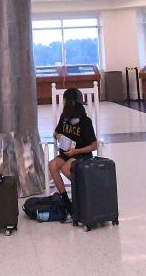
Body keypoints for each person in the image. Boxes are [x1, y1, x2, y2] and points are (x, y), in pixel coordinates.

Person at [48, 87, 98, 216]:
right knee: (52, 165)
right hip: (66, 153)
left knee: (65, 168)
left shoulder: (85, 122)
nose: (63, 104)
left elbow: (94, 145)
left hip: (81, 154)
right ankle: (66, 201)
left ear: (71, 103)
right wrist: (58, 136)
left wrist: (75, 151)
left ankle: (83, 190)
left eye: (65, 101)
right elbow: (56, 132)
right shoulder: (64, 117)